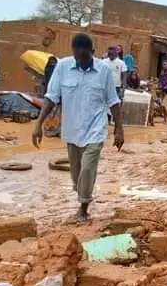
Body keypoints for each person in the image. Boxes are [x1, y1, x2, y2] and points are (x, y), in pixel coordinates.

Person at [32, 33, 123, 224]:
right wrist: (38, 124)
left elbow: (113, 101)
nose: (81, 61)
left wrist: (119, 129)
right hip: (72, 130)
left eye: (86, 57)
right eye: (78, 56)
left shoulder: (104, 71)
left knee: (88, 168)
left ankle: (83, 207)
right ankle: (81, 193)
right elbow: (51, 97)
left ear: (93, 52)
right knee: (76, 173)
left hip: (96, 129)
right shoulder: (63, 67)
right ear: (73, 52)